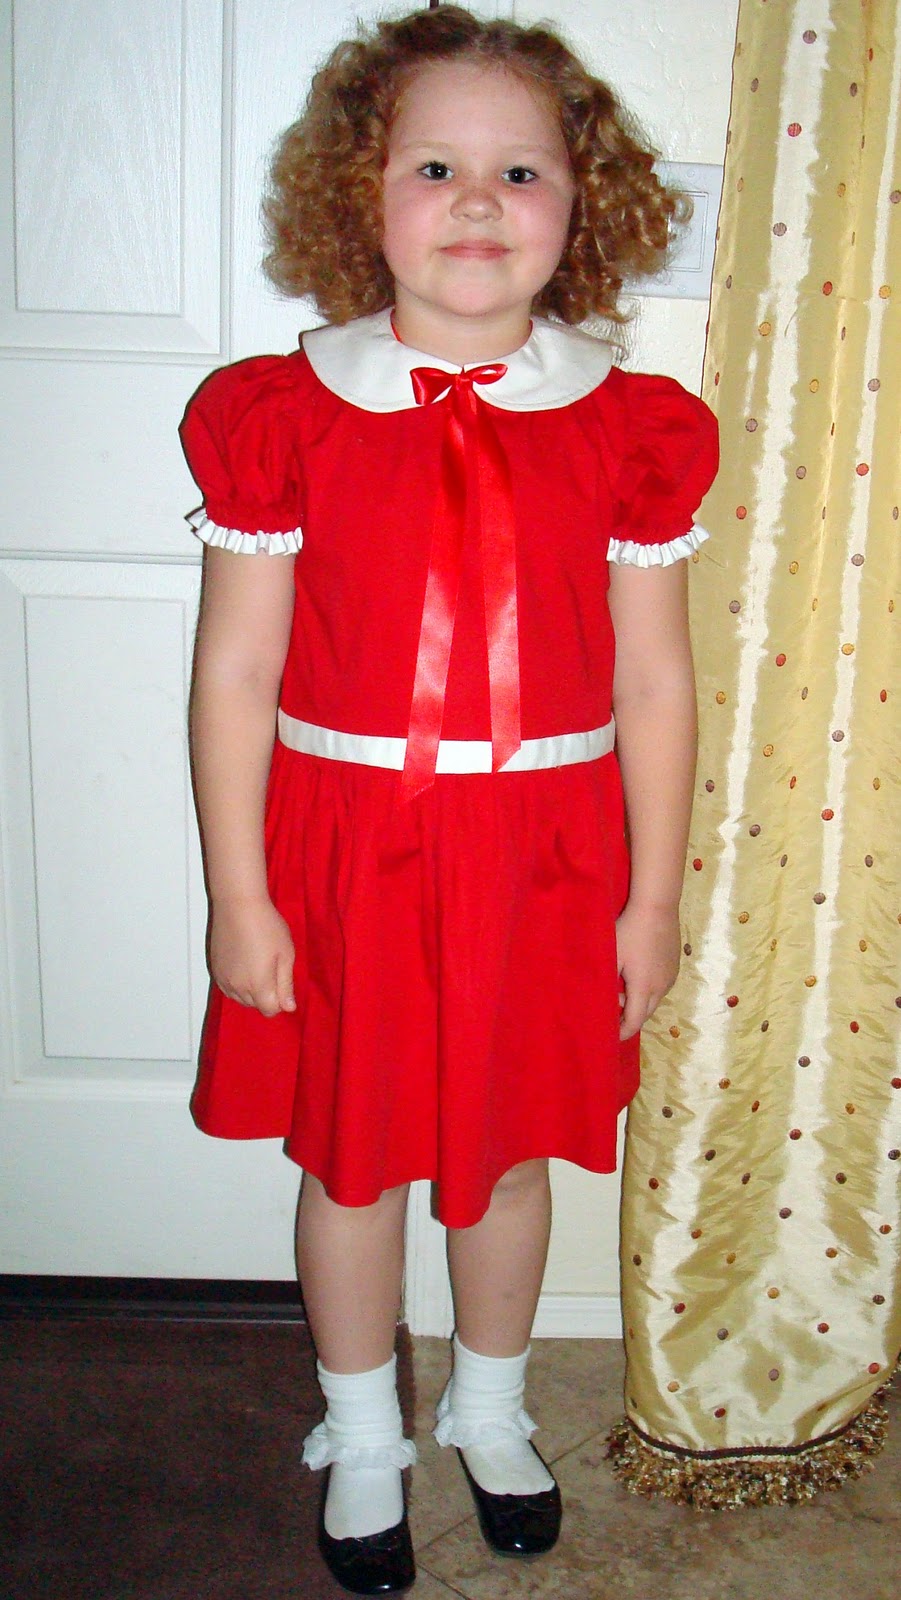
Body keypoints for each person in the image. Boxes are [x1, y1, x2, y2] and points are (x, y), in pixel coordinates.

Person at [181, 6, 718, 1593]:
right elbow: (234, 674)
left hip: (544, 858)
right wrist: (239, 894)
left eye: (521, 171)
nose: (478, 202)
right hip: (344, 850)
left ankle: (489, 1407)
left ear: (581, 203)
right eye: (433, 167)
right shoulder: (280, 416)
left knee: (504, 1156)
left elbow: (654, 685)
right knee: (349, 1160)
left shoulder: (629, 430)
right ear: (360, 194)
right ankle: (362, 1426)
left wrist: (651, 897)